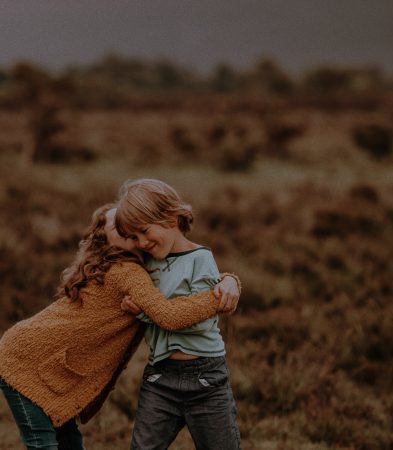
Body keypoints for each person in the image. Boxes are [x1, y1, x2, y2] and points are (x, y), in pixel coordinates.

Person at [0, 203, 240, 450]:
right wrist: (217, 297)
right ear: (106, 239)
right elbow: (169, 314)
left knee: (69, 442)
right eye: (117, 225)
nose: (126, 225)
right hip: (23, 361)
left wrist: (229, 279)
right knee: (43, 444)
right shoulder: (126, 271)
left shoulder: (145, 262)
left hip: (36, 359)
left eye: (130, 221)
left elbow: (184, 268)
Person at [115, 178, 241, 450]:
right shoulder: (147, 266)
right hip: (161, 378)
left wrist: (145, 313)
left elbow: (200, 318)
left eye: (145, 232)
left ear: (171, 218)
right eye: (134, 237)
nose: (142, 242)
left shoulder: (200, 259)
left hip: (206, 378)